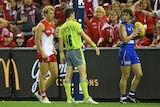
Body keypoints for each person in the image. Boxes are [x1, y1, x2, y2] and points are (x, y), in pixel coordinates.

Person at [59, 8, 100, 104]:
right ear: (72, 14)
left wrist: (61, 55)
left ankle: (69, 98)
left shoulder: (62, 27)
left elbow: (61, 43)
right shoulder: (76, 25)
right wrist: (94, 46)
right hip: (76, 50)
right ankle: (86, 97)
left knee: (68, 76)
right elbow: (84, 36)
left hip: (68, 52)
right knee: (83, 74)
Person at [118, 8, 143, 104]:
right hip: (125, 51)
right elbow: (124, 40)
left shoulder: (132, 26)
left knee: (139, 74)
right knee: (126, 75)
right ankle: (123, 97)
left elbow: (132, 38)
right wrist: (134, 33)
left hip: (132, 50)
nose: (124, 16)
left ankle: (131, 94)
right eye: (123, 14)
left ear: (130, 16)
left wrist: (139, 34)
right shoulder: (122, 26)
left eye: (126, 14)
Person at [34, 5, 58, 103]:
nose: (52, 15)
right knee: (43, 75)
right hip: (43, 52)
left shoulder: (52, 23)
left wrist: (53, 48)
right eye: (50, 13)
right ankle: (43, 96)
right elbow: (37, 40)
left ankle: (39, 92)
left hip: (50, 51)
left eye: (53, 13)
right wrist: (42, 52)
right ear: (45, 14)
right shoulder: (41, 25)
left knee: (55, 74)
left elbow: (51, 38)